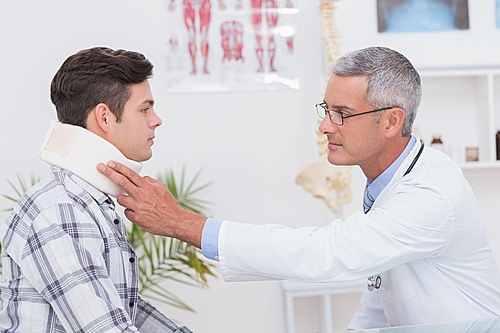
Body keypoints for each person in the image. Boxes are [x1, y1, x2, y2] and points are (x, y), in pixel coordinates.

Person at [97, 46, 500, 329]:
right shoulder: (387, 183)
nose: (325, 126)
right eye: (327, 110)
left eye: (341, 114)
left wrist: (182, 223)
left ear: (391, 122)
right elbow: (383, 293)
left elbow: (330, 253)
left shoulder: (431, 193)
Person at [0, 47, 192, 332]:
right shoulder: (60, 211)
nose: (156, 120)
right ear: (104, 117)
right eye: (145, 108)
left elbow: (123, 311)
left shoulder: (90, 203)